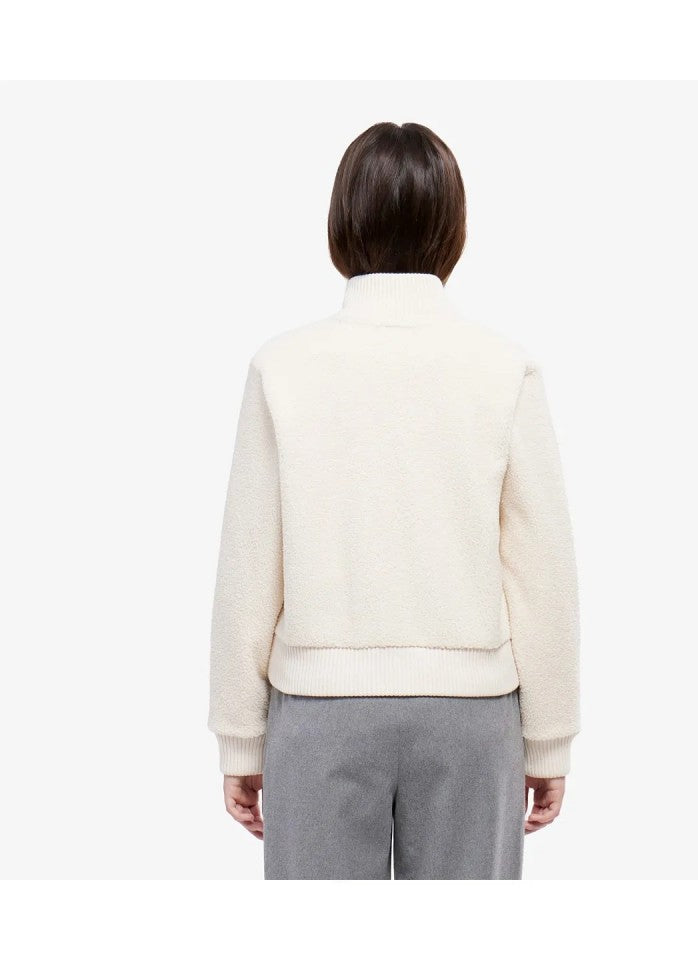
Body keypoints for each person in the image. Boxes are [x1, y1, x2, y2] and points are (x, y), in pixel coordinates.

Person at [207, 121, 580, 880]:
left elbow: (250, 564)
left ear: (341, 223)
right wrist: (549, 738)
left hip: (319, 715)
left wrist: (240, 735)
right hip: (471, 718)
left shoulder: (282, 367)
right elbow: (541, 570)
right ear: (454, 228)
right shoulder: (503, 368)